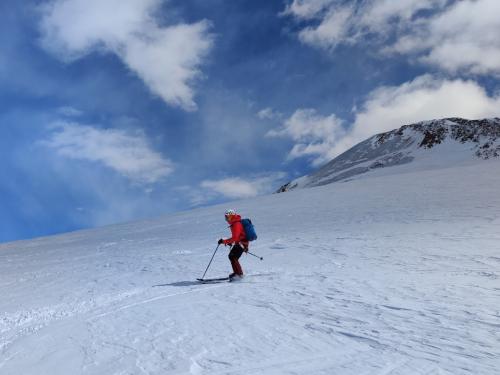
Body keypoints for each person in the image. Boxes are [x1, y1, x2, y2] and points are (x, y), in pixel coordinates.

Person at [218, 209, 248, 280]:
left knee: (233, 257)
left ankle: (239, 274)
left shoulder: (236, 224)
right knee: (232, 256)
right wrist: (230, 242)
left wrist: (224, 241)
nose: (226, 219)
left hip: (242, 243)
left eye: (227, 217)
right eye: (226, 217)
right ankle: (237, 273)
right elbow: (237, 236)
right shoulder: (234, 223)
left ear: (232, 216)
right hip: (240, 243)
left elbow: (235, 237)